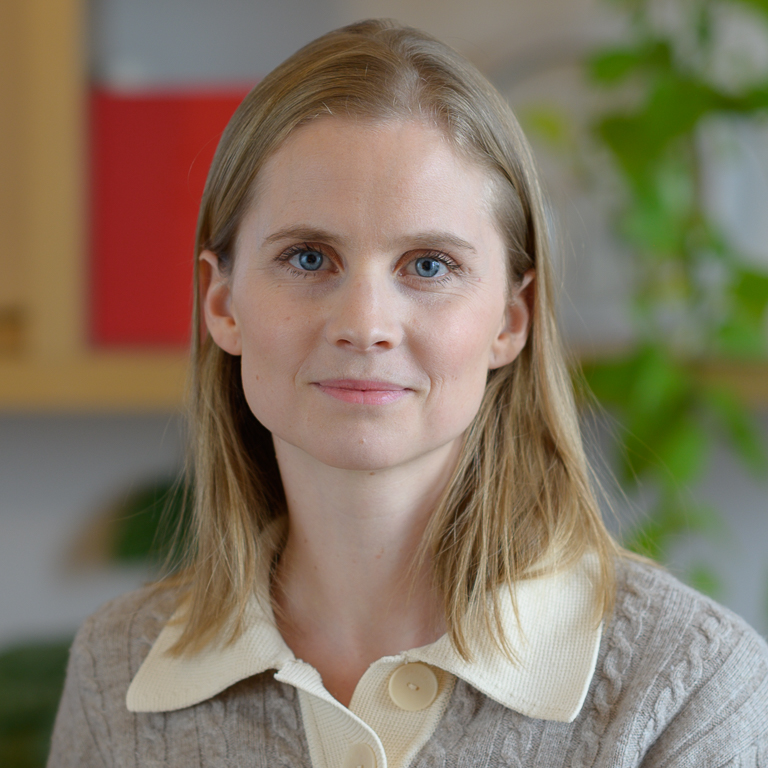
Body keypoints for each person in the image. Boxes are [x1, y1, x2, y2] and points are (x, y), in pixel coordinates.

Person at [48, 19, 768, 768]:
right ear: (222, 303)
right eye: (307, 257)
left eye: (428, 266)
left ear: (510, 320)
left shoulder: (687, 689)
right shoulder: (117, 675)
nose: (364, 325)